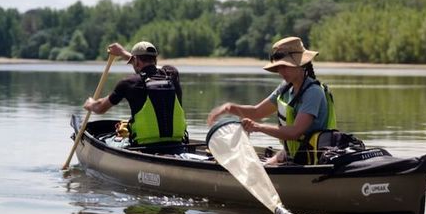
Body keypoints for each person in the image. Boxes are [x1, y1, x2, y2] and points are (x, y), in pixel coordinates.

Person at [207, 36, 336, 165]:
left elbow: (295, 132)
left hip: (313, 160)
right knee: (262, 164)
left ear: (300, 64)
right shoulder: (285, 88)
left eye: (285, 66)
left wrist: (258, 127)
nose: (280, 71)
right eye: (278, 67)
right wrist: (230, 108)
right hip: (292, 156)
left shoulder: (313, 92)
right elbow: (257, 112)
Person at [83, 41, 187, 146]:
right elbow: (152, 68)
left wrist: (90, 104)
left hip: (144, 145)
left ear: (136, 61)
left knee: (107, 139)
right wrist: (123, 53)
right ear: (155, 60)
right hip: (177, 142)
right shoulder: (172, 74)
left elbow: (100, 108)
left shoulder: (128, 83)